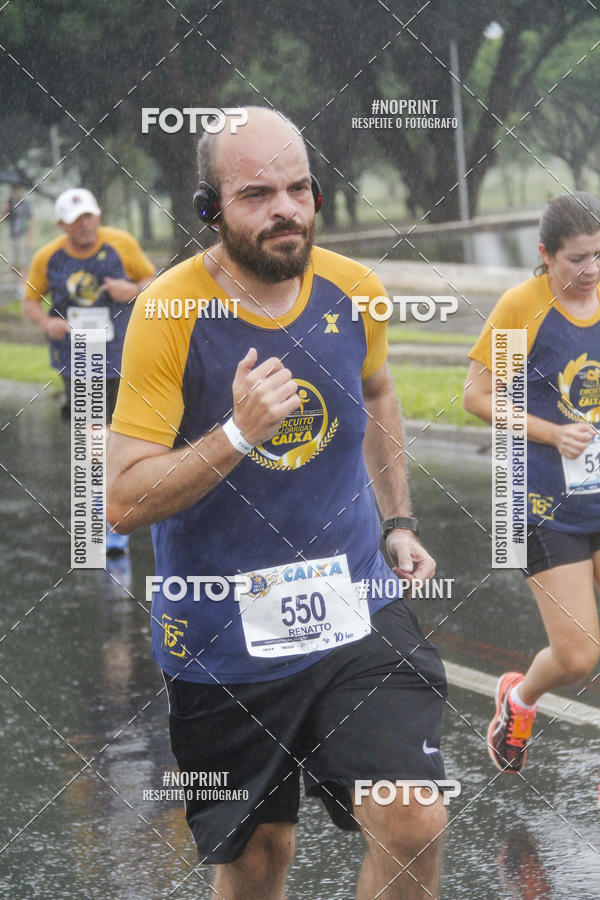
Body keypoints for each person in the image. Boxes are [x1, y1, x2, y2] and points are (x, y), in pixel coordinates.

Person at [107, 106, 448, 898]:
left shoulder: (354, 289)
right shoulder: (168, 313)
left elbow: (377, 392)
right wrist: (236, 432)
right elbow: (121, 499)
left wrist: (398, 521)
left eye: (298, 189)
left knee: (414, 818)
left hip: (354, 607)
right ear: (210, 209)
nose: (286, 210)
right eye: (257, 194)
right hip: (222, 638)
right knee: (259, 857)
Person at [464, 191, 600, 773]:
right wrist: (552, 432)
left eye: (598, 254)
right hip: (541, 505)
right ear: (545, 255)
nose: (590, 269)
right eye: (576, 259)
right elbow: (477, 396)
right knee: (578, 657)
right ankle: (518, 699)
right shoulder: (523, 307)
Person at [24, 187, 155, 554]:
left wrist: (132, 288)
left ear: (98, 216)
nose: (85, 225)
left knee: (120, 433)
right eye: (76, 220)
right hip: (77, 355)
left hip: (120, 352)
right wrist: (47, 323)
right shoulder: (48, 257)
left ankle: (116, 513)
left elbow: (152, 281)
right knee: (94, 437)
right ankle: (102, 513)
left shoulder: (121, 244)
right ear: (62, 225)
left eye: (89, 216)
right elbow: (30, 301)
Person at [2, 183, 33, 294]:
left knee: (23, 262)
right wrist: (4, 210)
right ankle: (19, 285)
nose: (15, 192)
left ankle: (23, 286)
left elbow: (31, 221)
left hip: (23, 236)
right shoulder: (9, 204)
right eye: (14, 190)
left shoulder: (25, 204)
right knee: (12, 263)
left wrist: (29, 238)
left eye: (17, 189)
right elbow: (3, 220)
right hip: (12, 237)